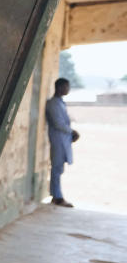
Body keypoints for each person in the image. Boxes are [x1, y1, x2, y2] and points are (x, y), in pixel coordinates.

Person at [45, 77, 79, 208]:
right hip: (57, 140)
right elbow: (58, 123)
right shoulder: (53, 103)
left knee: (58, 169)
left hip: (62, 140)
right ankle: (57, 197)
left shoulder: (60, 102)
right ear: (59, 87)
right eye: (66, 87)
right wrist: (72, 132)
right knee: (56, 169)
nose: (68, 89)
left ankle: (56, 195)